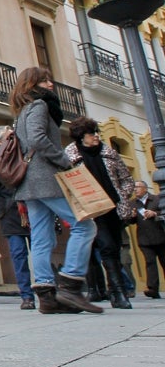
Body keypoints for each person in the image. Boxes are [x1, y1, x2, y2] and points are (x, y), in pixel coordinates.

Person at [10, 67, 101, 314]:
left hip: (30, 182)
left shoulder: (21, 112)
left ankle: (46, 295)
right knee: (85, 225)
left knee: (41, 238)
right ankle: (70, 284)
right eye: (45, 80)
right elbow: (38, 140)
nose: (51, 84)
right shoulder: (39, 106)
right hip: (44, 178)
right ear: (33, 84)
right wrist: (64, 160)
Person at [64, 117, 135, 310]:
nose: (96, 137)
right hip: (91, 209)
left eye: (97, 133)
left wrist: (122, 194)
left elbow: (127, 179)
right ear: (81, 137)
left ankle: (104, 290)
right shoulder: (70, 157)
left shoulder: (109, 152)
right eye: (91, 133)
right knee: (106, 247)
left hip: (114, 208)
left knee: (114, 247)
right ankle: (117, 292)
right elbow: (65, 184)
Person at [0, 124, 35, 309]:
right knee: (19, 254)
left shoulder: (24, 154)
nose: (13, 139)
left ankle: (47, 289)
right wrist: (3, 210)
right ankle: (27, 295)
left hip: (31, 209)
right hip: (11, 214)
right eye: (8, 137)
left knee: (40, 249)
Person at [132, 180, 165, 299]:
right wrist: (132, 216)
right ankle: (152, 289)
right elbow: (129, 222)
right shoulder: (133, 203)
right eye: (134, 187)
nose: (135, 189)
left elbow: (163, 212)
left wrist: (154, 213)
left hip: (160, 236)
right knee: (150, 262)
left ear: (145, 188)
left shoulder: (156, 199)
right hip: (144, 238)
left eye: (138, 187)